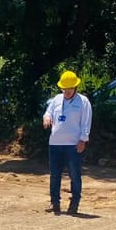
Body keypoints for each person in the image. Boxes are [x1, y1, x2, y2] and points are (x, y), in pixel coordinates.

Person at [42, 70, 92, 215]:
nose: (67, 91)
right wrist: (46, 118)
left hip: (73, 144)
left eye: (69, 88)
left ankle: (74, 204)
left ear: (75, 87)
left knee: (74, 174)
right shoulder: (56, 99)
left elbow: (86, 122)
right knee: (54, 174)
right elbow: (48, 112)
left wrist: (83, 139)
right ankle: (54, 202)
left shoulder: (83, 102)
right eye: (64, 88)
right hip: (55, 143)